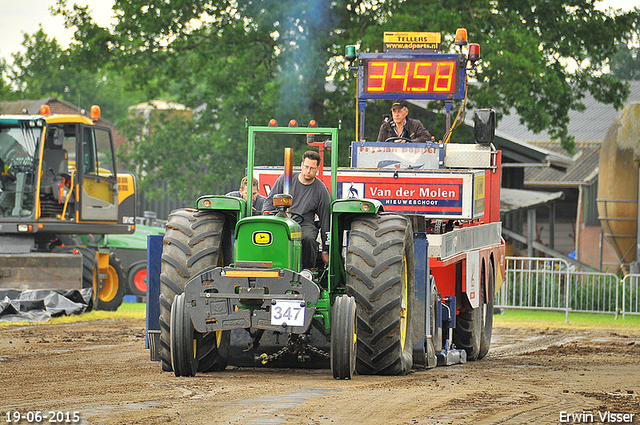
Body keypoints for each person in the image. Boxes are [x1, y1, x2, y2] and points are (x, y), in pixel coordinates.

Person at [263, 151, 330, 269]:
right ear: (301, 165)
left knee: (309, 238)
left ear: (317, 169)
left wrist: (326, 250)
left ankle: (307, 270)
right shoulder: (285, 179)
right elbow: (269, 202)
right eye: (306, 167)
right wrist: (266, 217)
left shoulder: (320, 190)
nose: (308, 171)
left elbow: (325, 220)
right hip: (282, 220)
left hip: (304, 223)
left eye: (312, 168)